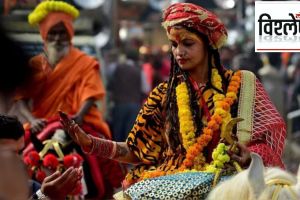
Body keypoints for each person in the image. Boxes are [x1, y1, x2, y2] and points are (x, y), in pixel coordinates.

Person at [60, 2, 286, 197]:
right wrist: (91, 144)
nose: (179, 52)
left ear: (208, 45)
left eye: (188, 43)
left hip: (233, 185)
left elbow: (268, 140)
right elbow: (136, 151)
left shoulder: (241, 85)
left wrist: (249, 156)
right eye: (175, 45)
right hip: (177, 186)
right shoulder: (162, 95)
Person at [15, 1, 124, 198]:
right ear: (44, 35)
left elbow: (90, 93)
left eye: (62, 33)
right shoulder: (34, 65)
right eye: (53, 33)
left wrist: (79, 117)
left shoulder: (85, 62)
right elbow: (20, 98)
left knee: (104, 155)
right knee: (16, 154)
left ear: (70, 34)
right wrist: (31, 121)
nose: (58, 38)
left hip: (78, 122)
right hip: (42, 123)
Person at [0, 114, 82, 200]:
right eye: (8, 153)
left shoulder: (33, 187)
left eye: (20, 152)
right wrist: (42, 197)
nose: (18, 160)